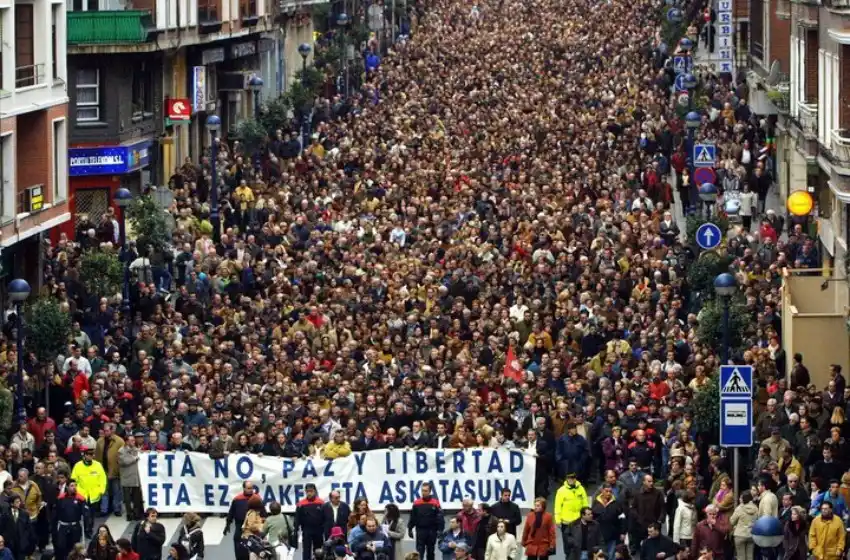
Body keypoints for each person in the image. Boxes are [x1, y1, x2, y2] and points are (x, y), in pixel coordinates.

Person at [70, 446, 107, 537]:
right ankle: (83, 530)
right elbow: (74, 479)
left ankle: (89, 529)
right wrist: (77, 491)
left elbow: (103, 479)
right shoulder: (78, 466)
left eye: (92, 454)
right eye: (89, 455)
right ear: (84, 455)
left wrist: (101, 490)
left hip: (94, 495)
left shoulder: (98, 465)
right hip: (82, 495)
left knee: (92, 515)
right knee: (84, 514)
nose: (91, 456)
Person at [95, 422, 124, 517]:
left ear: (112, 431)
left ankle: (117, 509)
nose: (105, 432)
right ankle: (104, 509)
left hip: (115, 469)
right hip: (103, 469)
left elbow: (122, 456)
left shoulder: (119, 441)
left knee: (117, 491)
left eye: (107, 430)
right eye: (104, 430)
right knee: (104, 491)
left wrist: (119, 468)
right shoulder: (100, 441)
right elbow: (97, 456)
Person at [408, 481, 443, 560]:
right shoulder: (416, 503)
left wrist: (440, 530)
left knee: (431, 552)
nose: (423, 493)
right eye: (422, 491)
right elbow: (413, 517)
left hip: (432, 531)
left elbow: (440, 518)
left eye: (425, 491)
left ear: (430, 491)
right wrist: (410, 528)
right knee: (419, 552)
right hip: (420, 530)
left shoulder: (435, 503)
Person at [53, 479, 87, 560]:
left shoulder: (80, 499)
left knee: (75, 547)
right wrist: (53, 527)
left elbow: (85, 514)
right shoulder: (60, 498)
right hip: (63, 526)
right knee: (61, 546)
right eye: (72, 486)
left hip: (75, 526)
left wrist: (86, 526)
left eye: (75, 485)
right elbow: (55, 514)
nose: (74, 487)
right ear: (67, 487)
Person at [226, 482, 259, 560]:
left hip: (252, 529)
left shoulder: (257, 498)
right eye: (248, 488)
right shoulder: (237, 499)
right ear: (244, 488)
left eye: (251, 488)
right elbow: (231, 512)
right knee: (240, 550)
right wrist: (228, 523)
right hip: (240, 527)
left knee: (256, 551)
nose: (251, 490)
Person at [591, 483, 625, 559]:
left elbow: (622, 518)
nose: (608, 493)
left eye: (610, 491)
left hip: (612, 535)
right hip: (599, 536)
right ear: (602, 491)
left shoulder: (617, 503)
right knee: (600, 556)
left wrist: (623, 532)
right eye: (606, 491)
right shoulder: (595, 503)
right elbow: (592, 518)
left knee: (611, 556)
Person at [295, 483, 326, 560]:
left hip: (318, 530)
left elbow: (325, 517)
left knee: (318, 550)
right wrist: (295, 529)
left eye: (311, 491)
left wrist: (324, 529)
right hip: (306, 530)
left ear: (315, 491)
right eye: (307, 491)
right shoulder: (301, 504)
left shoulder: (321, 502)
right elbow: (297, 518)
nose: (309, 493)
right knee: (306, 550)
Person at [554, 472, 587, 542]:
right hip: (566, 521)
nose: (571, 480)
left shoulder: (581, 489)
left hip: (578, 520)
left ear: (575, 479)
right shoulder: (561, 491)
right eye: (569, 478)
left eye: (572, 478)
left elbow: (585, 503)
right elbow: (557, 506)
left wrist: (586, 516)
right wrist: (558, 520)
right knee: (567, 542)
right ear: (566, 479)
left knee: (579, 541)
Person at [118, 431, 143, 521]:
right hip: (127, 478)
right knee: (127, 499)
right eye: (131, 440)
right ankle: (129, 514)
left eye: (133, 440)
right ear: (127, 442)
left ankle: (136, 513)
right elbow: (125, 461)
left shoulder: (136, 449)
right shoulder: (121, 451)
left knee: (136, 497)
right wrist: (135, 458)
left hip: (135, 478)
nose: (133, 442)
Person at [729, 491, 758, 560]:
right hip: (751, 534)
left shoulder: (739, 508)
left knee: (741, 557)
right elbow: (757, 519)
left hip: (740, 535)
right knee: (750, 556)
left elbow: (732, 521)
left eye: (741, 498)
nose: (739, 499)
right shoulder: (756, 508)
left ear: (744, 499)